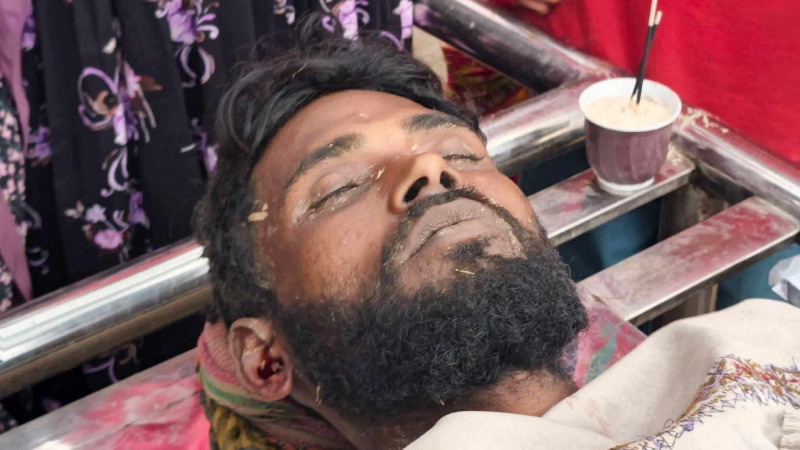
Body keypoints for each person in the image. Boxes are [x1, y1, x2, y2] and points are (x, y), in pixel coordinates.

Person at [194, 27, 800, 449]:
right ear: (265, 358)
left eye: (459, 153)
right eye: (338, 188)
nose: (430, 169)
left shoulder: (748, 343)